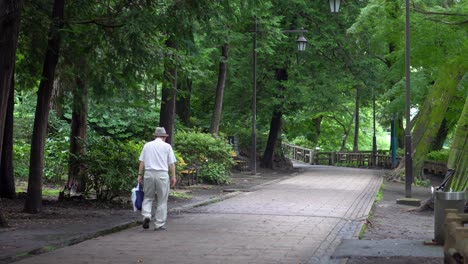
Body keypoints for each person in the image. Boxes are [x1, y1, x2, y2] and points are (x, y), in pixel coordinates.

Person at [137, 127, 177, 231]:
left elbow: (142, 161)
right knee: (162, 200)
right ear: (164, 137)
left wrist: (140, 175)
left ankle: (146, 215)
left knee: (148, 197)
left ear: (155, 136)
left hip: (149, 173)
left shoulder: (147, 146)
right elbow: (171, 164)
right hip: (162, 174)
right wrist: (173, 176)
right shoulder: (167, 147)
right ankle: (159, 224)